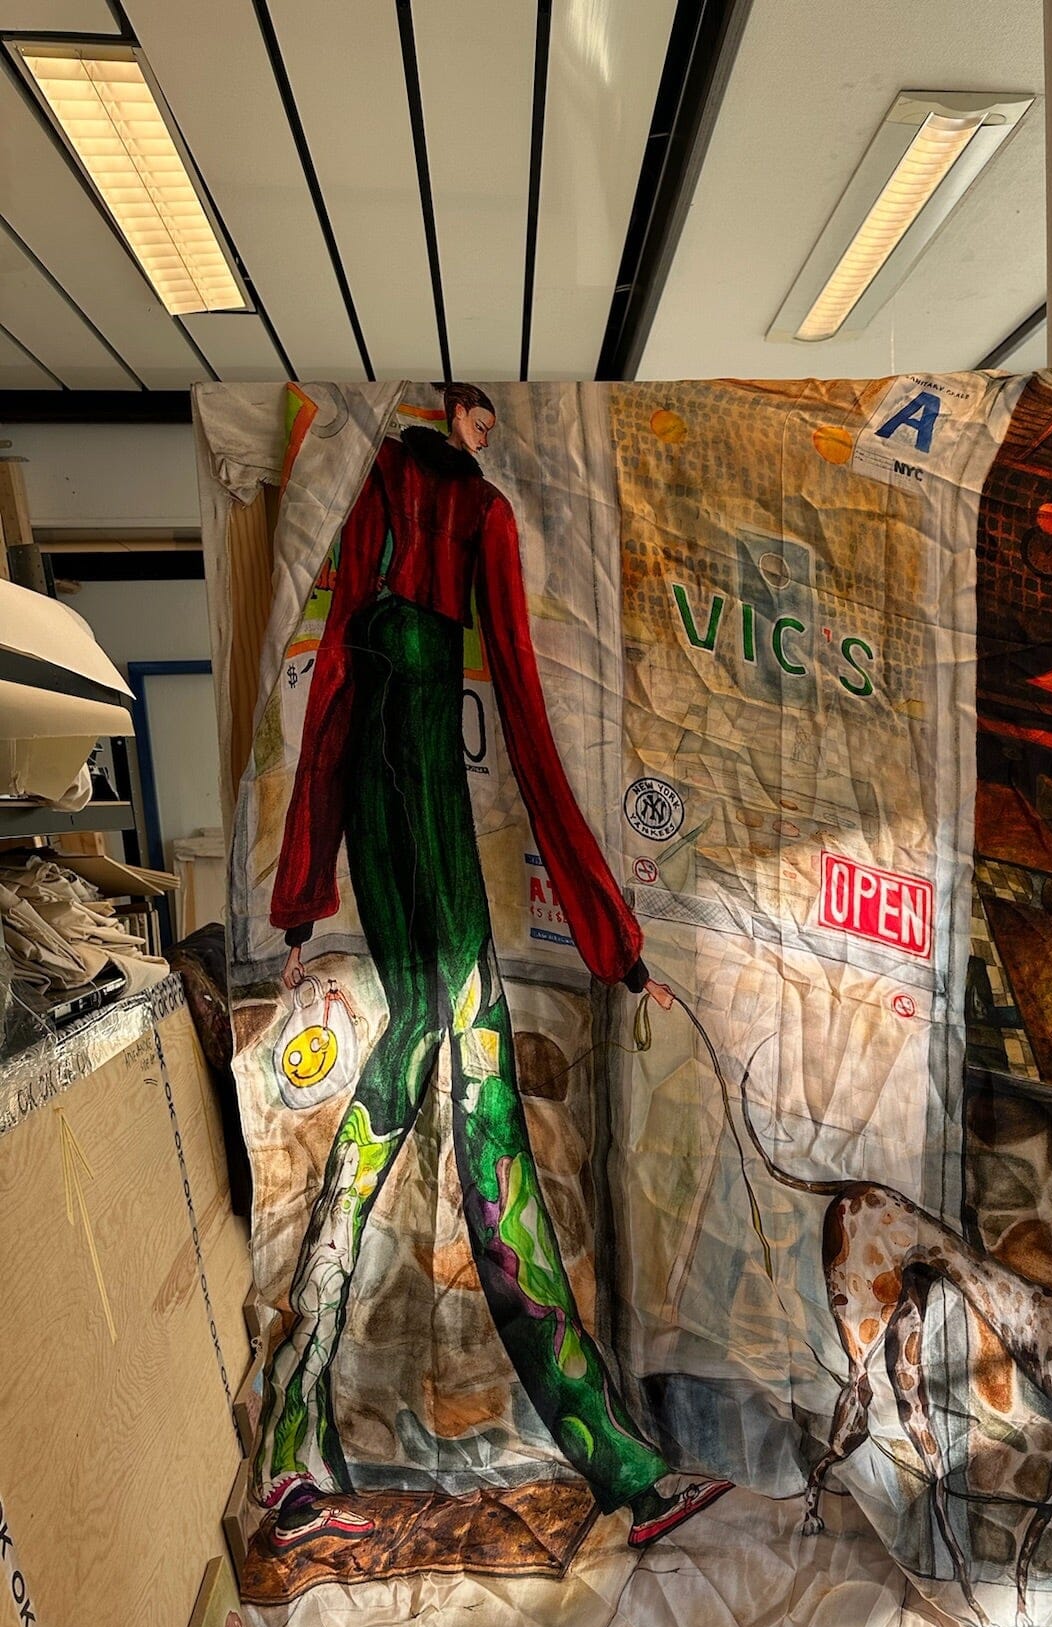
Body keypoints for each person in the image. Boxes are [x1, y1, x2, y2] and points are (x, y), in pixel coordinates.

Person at [257, 383, 729, 1552]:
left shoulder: (377, 488)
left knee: (436, 1073)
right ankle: (616, 1470)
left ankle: (295, 1443)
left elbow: (334, 696)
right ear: (464, 413)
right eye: (483, 413)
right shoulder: (478, 513)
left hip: (386, 817)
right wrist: (615, 946)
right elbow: (523, 720)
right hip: (419, 811)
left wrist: (306, 888)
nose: (490, 429)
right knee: (481, 1107)